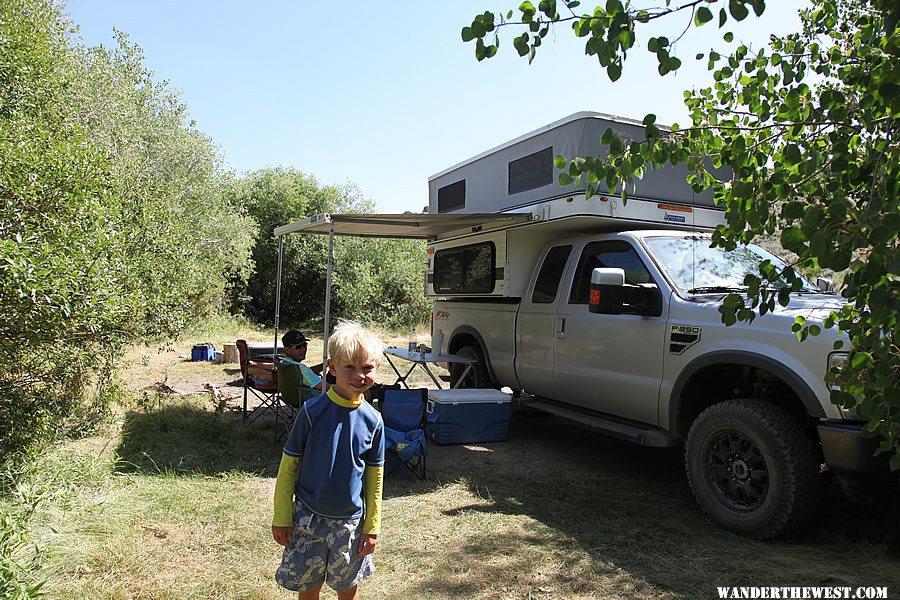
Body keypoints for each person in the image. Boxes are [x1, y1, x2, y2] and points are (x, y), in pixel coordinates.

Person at [272, 321, 385, 600]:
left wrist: (371, 527)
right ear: (332, 367)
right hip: (307, 519)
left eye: (367, 367)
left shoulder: (374, 421)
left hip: (350, 524)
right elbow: (288, 468)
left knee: (347, 588)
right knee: (309, 587)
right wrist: (282, 516)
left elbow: (375, 478)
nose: (359, 375)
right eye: (350, 367)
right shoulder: (312, 412)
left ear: (377, 368)